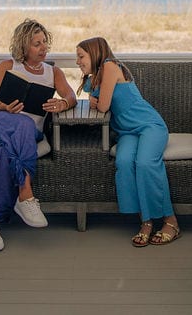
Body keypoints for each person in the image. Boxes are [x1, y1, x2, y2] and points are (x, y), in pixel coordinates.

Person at [0, 18, 77, 252]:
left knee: (5, 153)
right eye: (36, 44)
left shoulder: (54, 73)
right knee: (21, 123)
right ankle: (25, 195)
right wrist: (4, 107)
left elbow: (71, 96)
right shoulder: (7, 66)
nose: (43, 48)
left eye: (44, 42)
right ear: (23, 46)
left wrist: (62, 104)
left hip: (25, 136)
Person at [75, 36, 181, 247]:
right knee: (123, 162)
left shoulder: (110, 66)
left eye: (81, 56)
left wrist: (96, 101)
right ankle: (146, 221)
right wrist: (93, 95)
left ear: (95, 53)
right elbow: (90, 93)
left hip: (150, 126)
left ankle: (170, 220)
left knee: (145, 162)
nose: (77, 61)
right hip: (127, 132)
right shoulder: (96, 75)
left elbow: (102, 106)